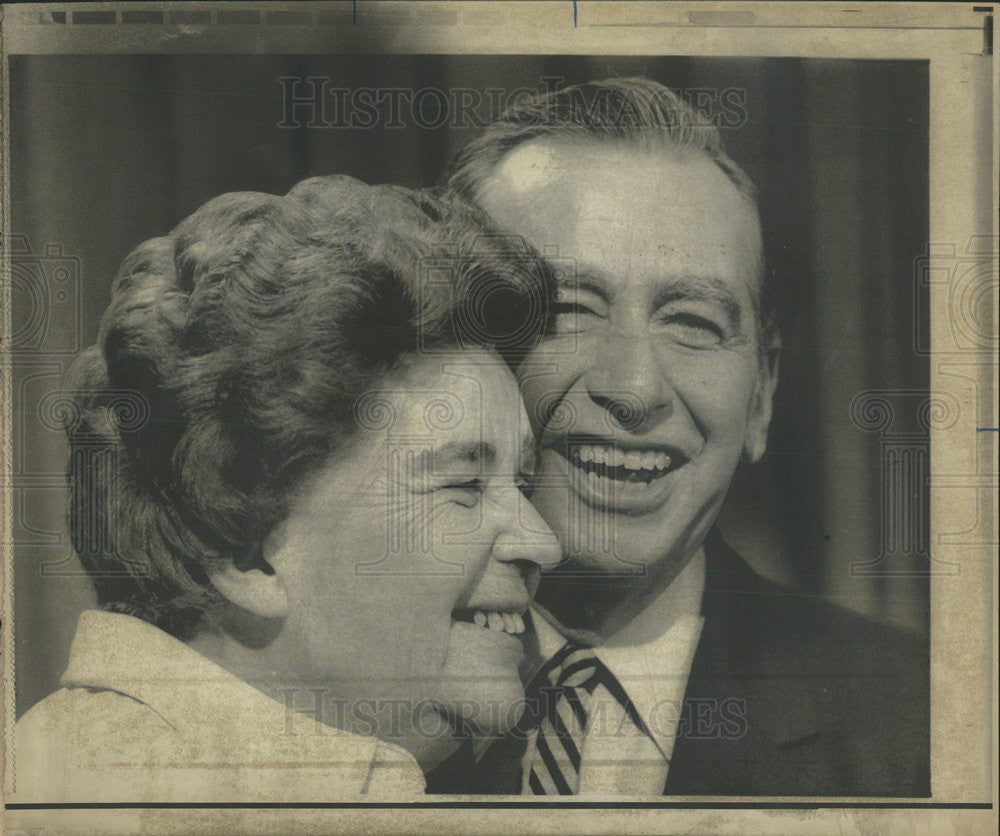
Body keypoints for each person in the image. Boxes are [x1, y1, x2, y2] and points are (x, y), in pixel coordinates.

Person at [443, 77, 929, 796]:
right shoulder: (333, 697)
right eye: (568, 311)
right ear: (449, 355)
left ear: (762, 393)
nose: (635, 389)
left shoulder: (924, 726)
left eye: (693, 323)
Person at [11, 175, 562, 802]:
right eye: (464, 483)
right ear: (249, 553)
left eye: (522, 482)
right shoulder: (102, 794)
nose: (543, 543)